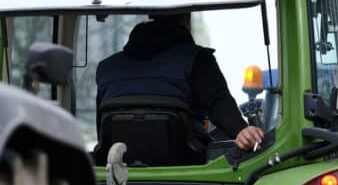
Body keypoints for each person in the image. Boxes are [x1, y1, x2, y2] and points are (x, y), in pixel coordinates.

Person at [96, 13, 263, 160]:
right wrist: (241, 130)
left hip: (118, 171)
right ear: (186, 21)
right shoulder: (197, 59)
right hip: (189, 164)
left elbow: (102, 132)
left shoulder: (106, 68)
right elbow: (218, 102)